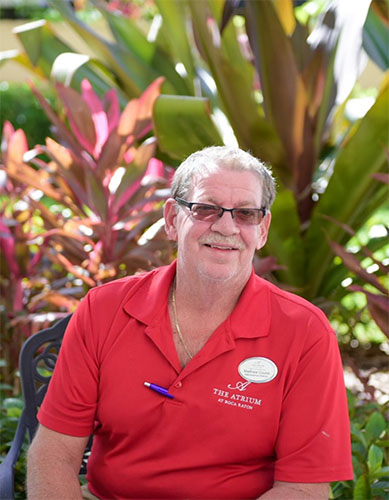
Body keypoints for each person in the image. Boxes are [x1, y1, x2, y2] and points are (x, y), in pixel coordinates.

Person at [27, 146, 353, 500]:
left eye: (246, 214)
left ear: (262, 229)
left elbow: (304, 488)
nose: (226, 226)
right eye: (206, 208)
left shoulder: (305, 332)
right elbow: (54, 452)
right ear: (171, 218)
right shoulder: (103, 309)